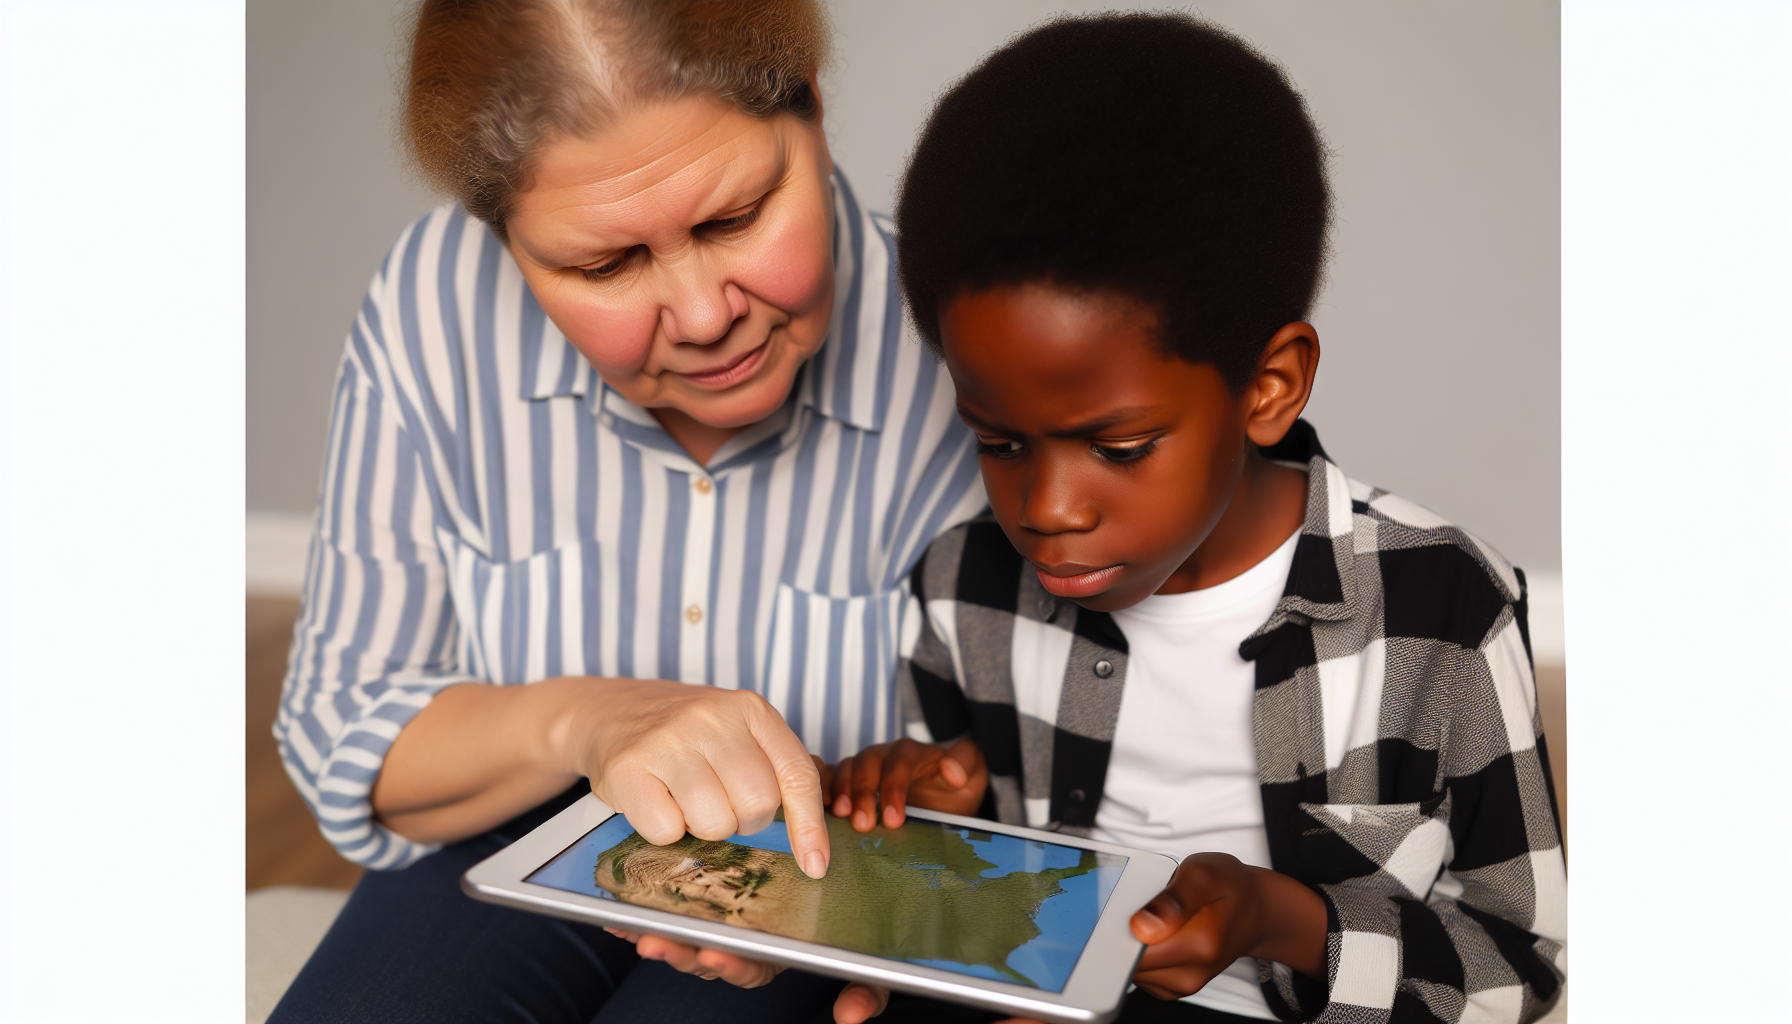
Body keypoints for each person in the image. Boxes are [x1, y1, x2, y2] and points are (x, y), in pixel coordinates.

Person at [825, 13, 1567, 1024]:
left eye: (1119, 447)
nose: (1046, 510)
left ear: (1268, 386)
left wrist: (1280, 918)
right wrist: (929, 813)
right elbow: (962, 898)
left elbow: (1519, 977)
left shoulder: (1442, 614)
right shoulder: (965, 587)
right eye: (998, 442)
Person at [269, 1, 983, 1021]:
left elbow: (1043, 762)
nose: (701, 318)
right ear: (502, 240)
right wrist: (589, 720)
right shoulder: (434, 301)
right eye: (605, 265)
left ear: (814, 112)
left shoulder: (962, 334)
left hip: (839, 863)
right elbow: (347, 723)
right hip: (517, 825)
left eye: (734, 217)